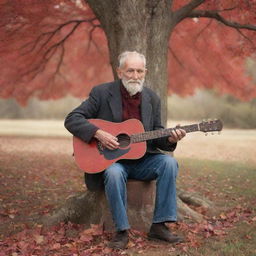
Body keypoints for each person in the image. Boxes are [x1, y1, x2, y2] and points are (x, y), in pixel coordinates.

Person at [64, 51, 186, 249]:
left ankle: (160, 226)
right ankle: (121, 231)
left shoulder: (152, 99)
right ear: (119, 72)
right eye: (130, 71)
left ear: (145, 72)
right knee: (113, 173)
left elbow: (156, 133)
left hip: (144, 160)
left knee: (169, 163)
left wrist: (170, 139)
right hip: (113, 162)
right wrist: (98, 133)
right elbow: (72, 119)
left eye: (139, 71)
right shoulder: (101, 93)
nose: (135, 76)